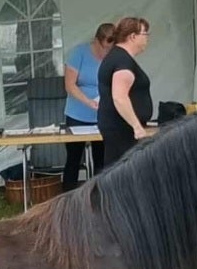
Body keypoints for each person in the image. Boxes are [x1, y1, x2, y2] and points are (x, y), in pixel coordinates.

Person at [61, 22, 114, 190]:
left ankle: (100, 197)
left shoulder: (113, 57)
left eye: (110, 49)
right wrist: (88, 102)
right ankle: (68, 197)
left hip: (102, 115)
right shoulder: (79, 53)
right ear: (97, 41)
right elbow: (70, 85)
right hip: (77, 114)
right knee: (74, 159)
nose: (107, 53)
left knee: (102, 159)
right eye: (105, 48)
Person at [97, 17, 153, 166]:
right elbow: (119, 97)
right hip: (122, 129)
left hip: (119, 127)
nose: (147, 38)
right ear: (133, 37)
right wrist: (137, 127)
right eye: (145, 34)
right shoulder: (122, 61)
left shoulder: (118, 57)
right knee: (124, 172)